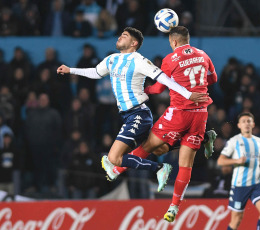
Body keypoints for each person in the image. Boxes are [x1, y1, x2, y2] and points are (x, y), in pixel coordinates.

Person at [57, 27, 207, 193]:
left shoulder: (139, 61)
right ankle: (200, 139)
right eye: (121, 34)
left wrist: (187, 94)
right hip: (127, 116)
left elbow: (163, 78)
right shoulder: (112, 59)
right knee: (155, 148)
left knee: (114, 157)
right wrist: (71, 70)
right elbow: (95, 73)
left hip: (139, 114)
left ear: (134, 43)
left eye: (125, 35)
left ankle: (159, 168)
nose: (120, 37)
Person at [102, 26, 218, 222]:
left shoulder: (170, 59)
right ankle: (174, 207)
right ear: (187, 39)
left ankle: (117, 169)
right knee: (184, 164)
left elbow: (158, 88)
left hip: (179, 113)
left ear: (173, 42)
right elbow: (213, 79)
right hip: (200, 113)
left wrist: (144, 90)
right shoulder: (203, 54)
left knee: (149, 145)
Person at [217, 112, 260, 230]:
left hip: (256, 184)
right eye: (244, 121)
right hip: (240, 185)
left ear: (253, 124)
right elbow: (220, 161)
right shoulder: (233, 141)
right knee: (236, 221)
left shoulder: (259, 141)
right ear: (239, 125)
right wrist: (236, 160)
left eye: (248, 121)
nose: (246, 123)